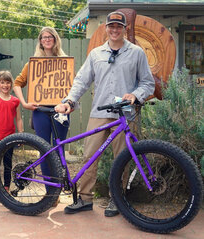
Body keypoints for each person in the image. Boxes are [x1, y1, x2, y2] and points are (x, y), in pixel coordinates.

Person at [55, 11, 155, 216]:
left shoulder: (136, 53)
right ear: (106, 28)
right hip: (99, 110)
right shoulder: (96, 54)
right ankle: (84, 198)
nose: (115, 30)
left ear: (125, 29)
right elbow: (82, 81)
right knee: (89, 155)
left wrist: (135, 95)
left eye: (119, 26)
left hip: (125, 112)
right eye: (112, 26)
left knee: (122, 158)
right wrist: (70, 100)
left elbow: (147, 83)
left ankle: (117, 199)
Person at [13, 27, 69, 195]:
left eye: (50, 36)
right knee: (44, 150)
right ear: (40, 41)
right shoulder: (33, 63)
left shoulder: (65, 62)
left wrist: (69, 105)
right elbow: (17, 83)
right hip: (40, 111)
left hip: (61, 111)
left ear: (55, 39)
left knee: (59, 149)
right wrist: (24, 103)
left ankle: (58, 188)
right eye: (43, 37)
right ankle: (49, 192)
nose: (47, 39)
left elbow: (73, 86)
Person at [0, 70, 23, 199]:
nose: (5, 85)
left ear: (11, 84)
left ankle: (6, 187)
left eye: (7, 82)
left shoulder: (15, 101)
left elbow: (18, 119)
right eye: (2, 82)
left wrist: (21, 135)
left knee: (7, 163)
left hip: (10, 137)